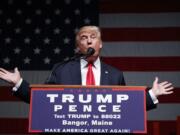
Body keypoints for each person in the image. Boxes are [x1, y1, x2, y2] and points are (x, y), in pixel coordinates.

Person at [0, 25, 174, 111]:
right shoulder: (62, 69)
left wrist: (151, 95)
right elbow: (43, 100)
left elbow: (125, 107)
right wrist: (19, 83)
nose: (89, 40)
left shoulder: (114, 74)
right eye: (84, 37)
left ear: (100, 44)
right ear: (79, 46)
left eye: (93, 37)